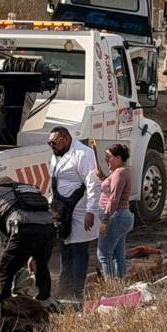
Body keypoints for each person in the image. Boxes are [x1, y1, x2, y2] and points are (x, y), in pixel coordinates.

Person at [47, 126, 101, 299]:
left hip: (79, 211)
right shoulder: (56, 155)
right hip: (61, 212)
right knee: (65, 250)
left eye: (54, 142)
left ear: (66, 138)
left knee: (78, 251)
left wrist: (91, 211)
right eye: (49, 143)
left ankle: (77, 292)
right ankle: (64, 288)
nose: (52, 146)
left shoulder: (83, 154)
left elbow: (93, 184)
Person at [0, 175, 54, 301]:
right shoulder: (31, 189)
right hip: (48, 229)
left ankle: (3, 304)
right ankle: (45, 299)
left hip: (23, 229)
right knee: (41, 266)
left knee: (4, 271)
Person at [94, 143, 134, 279]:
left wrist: (105, 221)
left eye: (108, 157)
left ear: (118, 158)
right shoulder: (122, 172)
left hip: (115, 217)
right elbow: (113, 189)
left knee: (104, 254)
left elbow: (114, 198)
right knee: (118, 255)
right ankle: (120, 284)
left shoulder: (119, 173)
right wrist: (103, 178)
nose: (106, 160)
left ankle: (111, 287)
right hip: (119, 217)